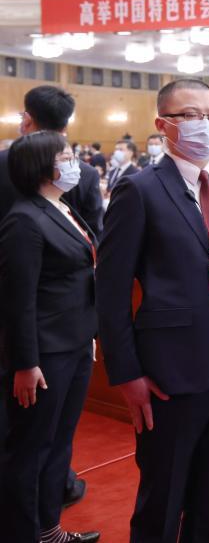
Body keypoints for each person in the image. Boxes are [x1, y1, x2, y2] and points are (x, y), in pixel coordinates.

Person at [96, 79, 209, 542]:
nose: (206, 125)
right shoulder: (139, 190)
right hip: (168, 374)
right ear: (163, 125)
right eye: (192, 116)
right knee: (163, 498)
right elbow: (110, 291)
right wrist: (126, 372)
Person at [0, 85, 98, 508]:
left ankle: (48, 521)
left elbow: (89, 254)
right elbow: (21, 294)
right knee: (30, 439)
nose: (76, 165)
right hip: (37, 334)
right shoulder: (25, 216)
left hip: (69, 332)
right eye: (67, 158)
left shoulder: (63, 204)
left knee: (54, 434)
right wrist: (25, 359)